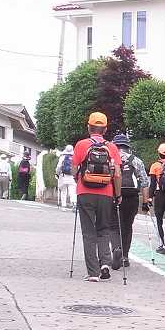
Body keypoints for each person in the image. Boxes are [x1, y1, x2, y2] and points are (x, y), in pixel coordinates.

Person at [72, 112, 121, 282]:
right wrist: (118, 194)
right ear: (105, 129)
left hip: (84, 192)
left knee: (88, 232)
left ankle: (93, 273)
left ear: (88, 127)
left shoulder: (81, 145)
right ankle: (105, 264)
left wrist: (77, 179)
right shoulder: (112, 147)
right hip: (106, 193)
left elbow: (73, 169)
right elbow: (117, 174)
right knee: (104, 229)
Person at [110, 134, 149, 269]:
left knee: (114, 225)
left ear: (115, 146)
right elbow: (144, 182)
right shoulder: (136, 160)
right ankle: (125, 256)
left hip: (115, 194)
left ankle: (116, 249)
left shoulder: (112, 159)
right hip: (132, 197)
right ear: (128, 147)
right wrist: (145, 202)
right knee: (127, 226)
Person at [55, 145, 76, 210]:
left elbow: (59, 166)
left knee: (63, 191)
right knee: (72, 191)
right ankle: (74, 204)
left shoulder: (62, 156)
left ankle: (63, 206)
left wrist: (57, 173)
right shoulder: (74, 157)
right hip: (72, 176)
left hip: (63, 176)